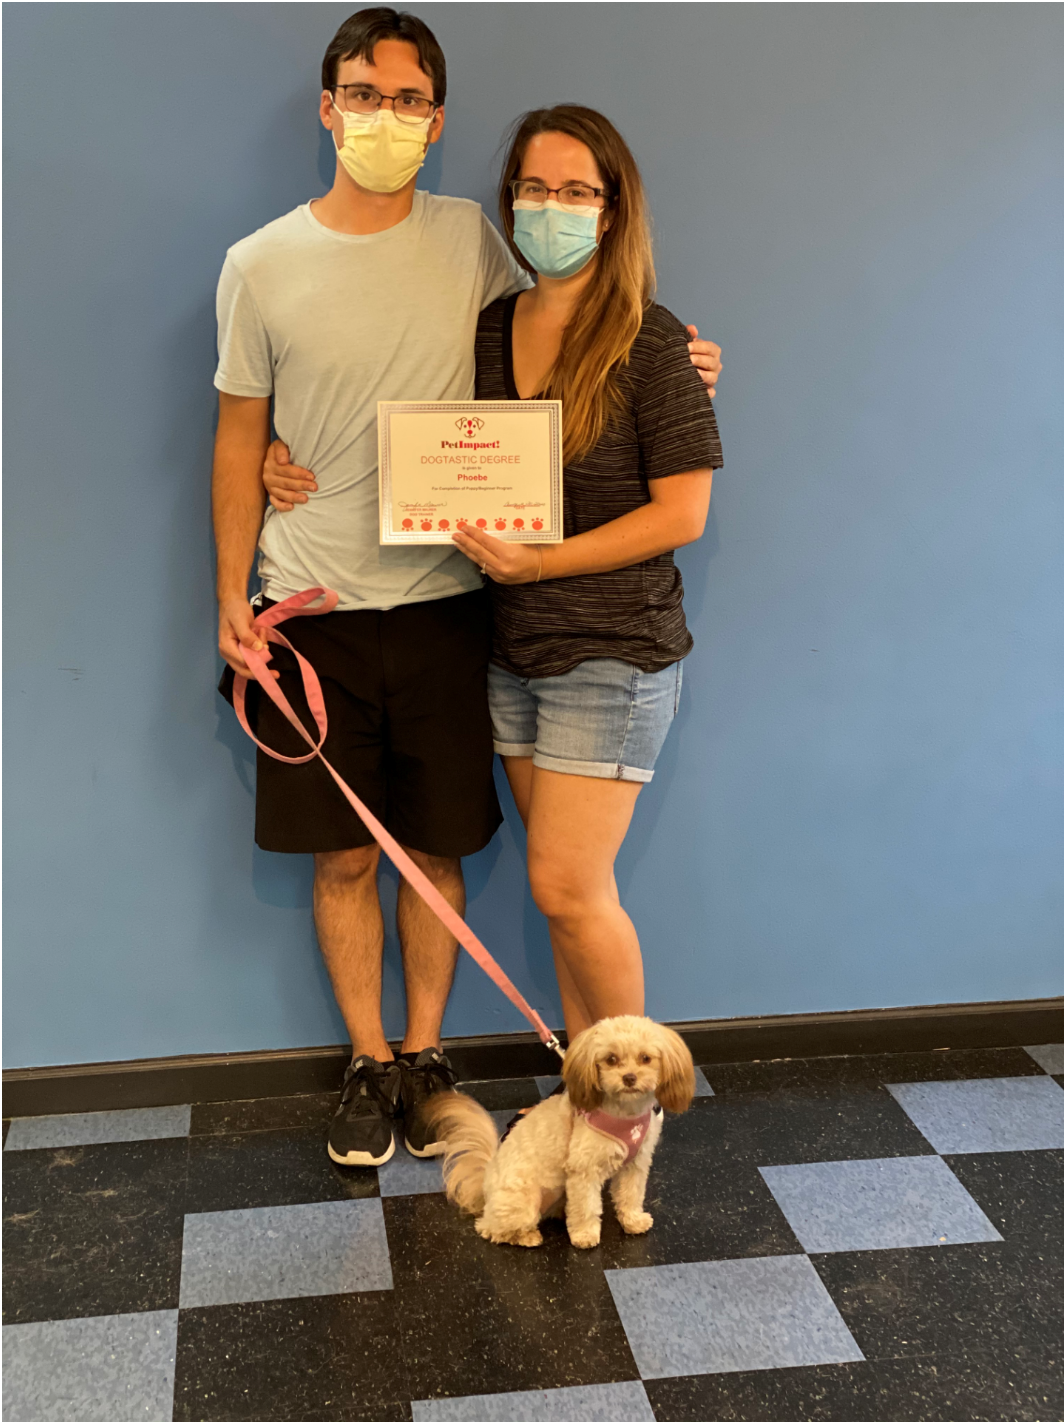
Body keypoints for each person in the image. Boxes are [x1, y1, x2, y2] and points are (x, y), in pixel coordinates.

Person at [215, 7, 723, 1170]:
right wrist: (246, 552)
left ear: (434, 122)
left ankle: (547, 1089)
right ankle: (386, 1067)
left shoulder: (503, 262)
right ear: (327, 103)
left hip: (492, 618)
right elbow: (245, 435)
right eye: (361, 92)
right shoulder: (287, 269)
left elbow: (622, 357)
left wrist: (693, 359)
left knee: (500, 867)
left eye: (406, 100)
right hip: (361, 617)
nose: (382, 117)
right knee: (369, 860)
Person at [451, 106, 722, 1051]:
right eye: (534, 188)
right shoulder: (491, 329)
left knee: (566, 889)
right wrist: (291, 460)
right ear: (510, 199)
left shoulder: (652, 340)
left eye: (576, 191)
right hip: (512, 650)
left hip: (613, 652)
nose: (551, 207)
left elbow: (683, 513)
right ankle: (585, 1108)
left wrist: (543, 561)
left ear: (611, 212)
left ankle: (628, 1116)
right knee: (568, 896)